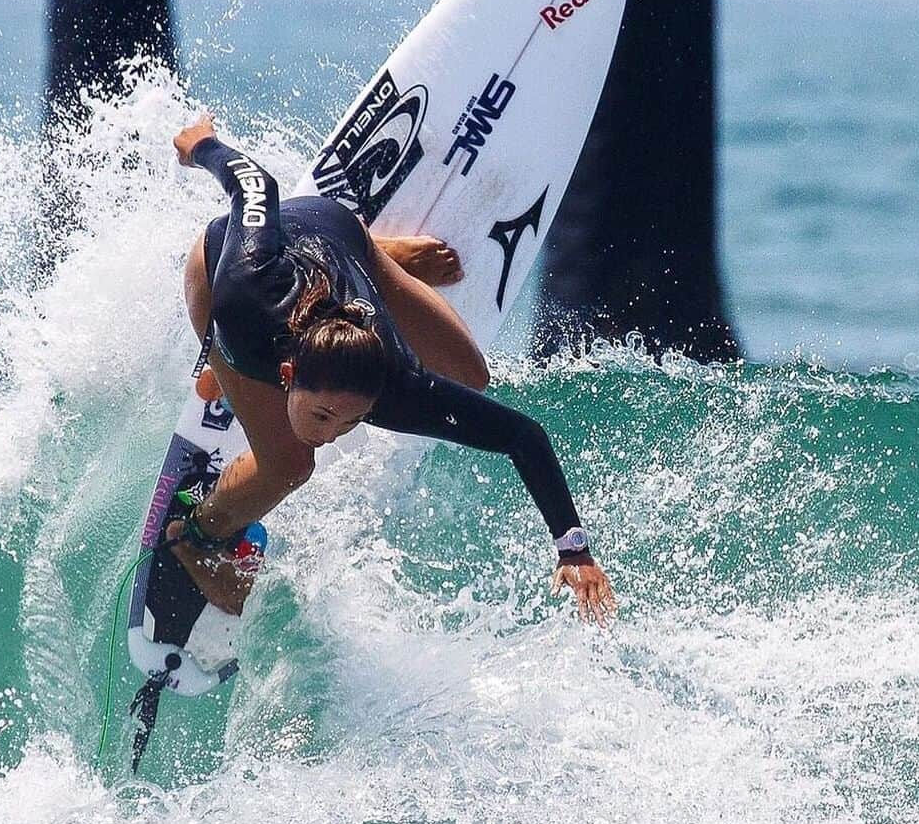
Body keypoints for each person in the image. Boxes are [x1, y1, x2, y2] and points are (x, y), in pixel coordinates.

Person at [168, 114, 617, 624]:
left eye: (349, 421)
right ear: (289, 376)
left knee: (470, 374)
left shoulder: (396, 385)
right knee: (289, 465)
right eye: (323, 416)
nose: (331, 434)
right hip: (230, 264)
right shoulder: (246, 293)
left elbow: (523, 435)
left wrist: (573, 548)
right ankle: (197, 538)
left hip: (338, 235)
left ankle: (380, 254)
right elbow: (256, 185)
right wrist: (203, 145)